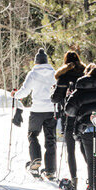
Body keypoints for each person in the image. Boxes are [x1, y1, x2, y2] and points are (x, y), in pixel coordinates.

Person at [64, 64, 96, 190]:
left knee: (92, 160)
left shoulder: (78, 91)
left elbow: (69, 111)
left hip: (88, 129)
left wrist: (70, 98)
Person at [13, 49, 57, 178]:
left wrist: (15, 95)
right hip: (51, 110)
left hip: (37, 110)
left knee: (32, 135)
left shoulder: (32, 74)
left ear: (36, 62)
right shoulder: (54, 74)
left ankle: (36, 160)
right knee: (50, 139)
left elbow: (24, 91)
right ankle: (50, 170)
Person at [52, 49, 85, 190]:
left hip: (68, 116)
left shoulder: (63, 77)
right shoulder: (85, 75)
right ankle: (94, 179)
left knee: (70, 151)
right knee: (86, 149)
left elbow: (55, 98)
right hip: (84, 116)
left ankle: (74, 179)